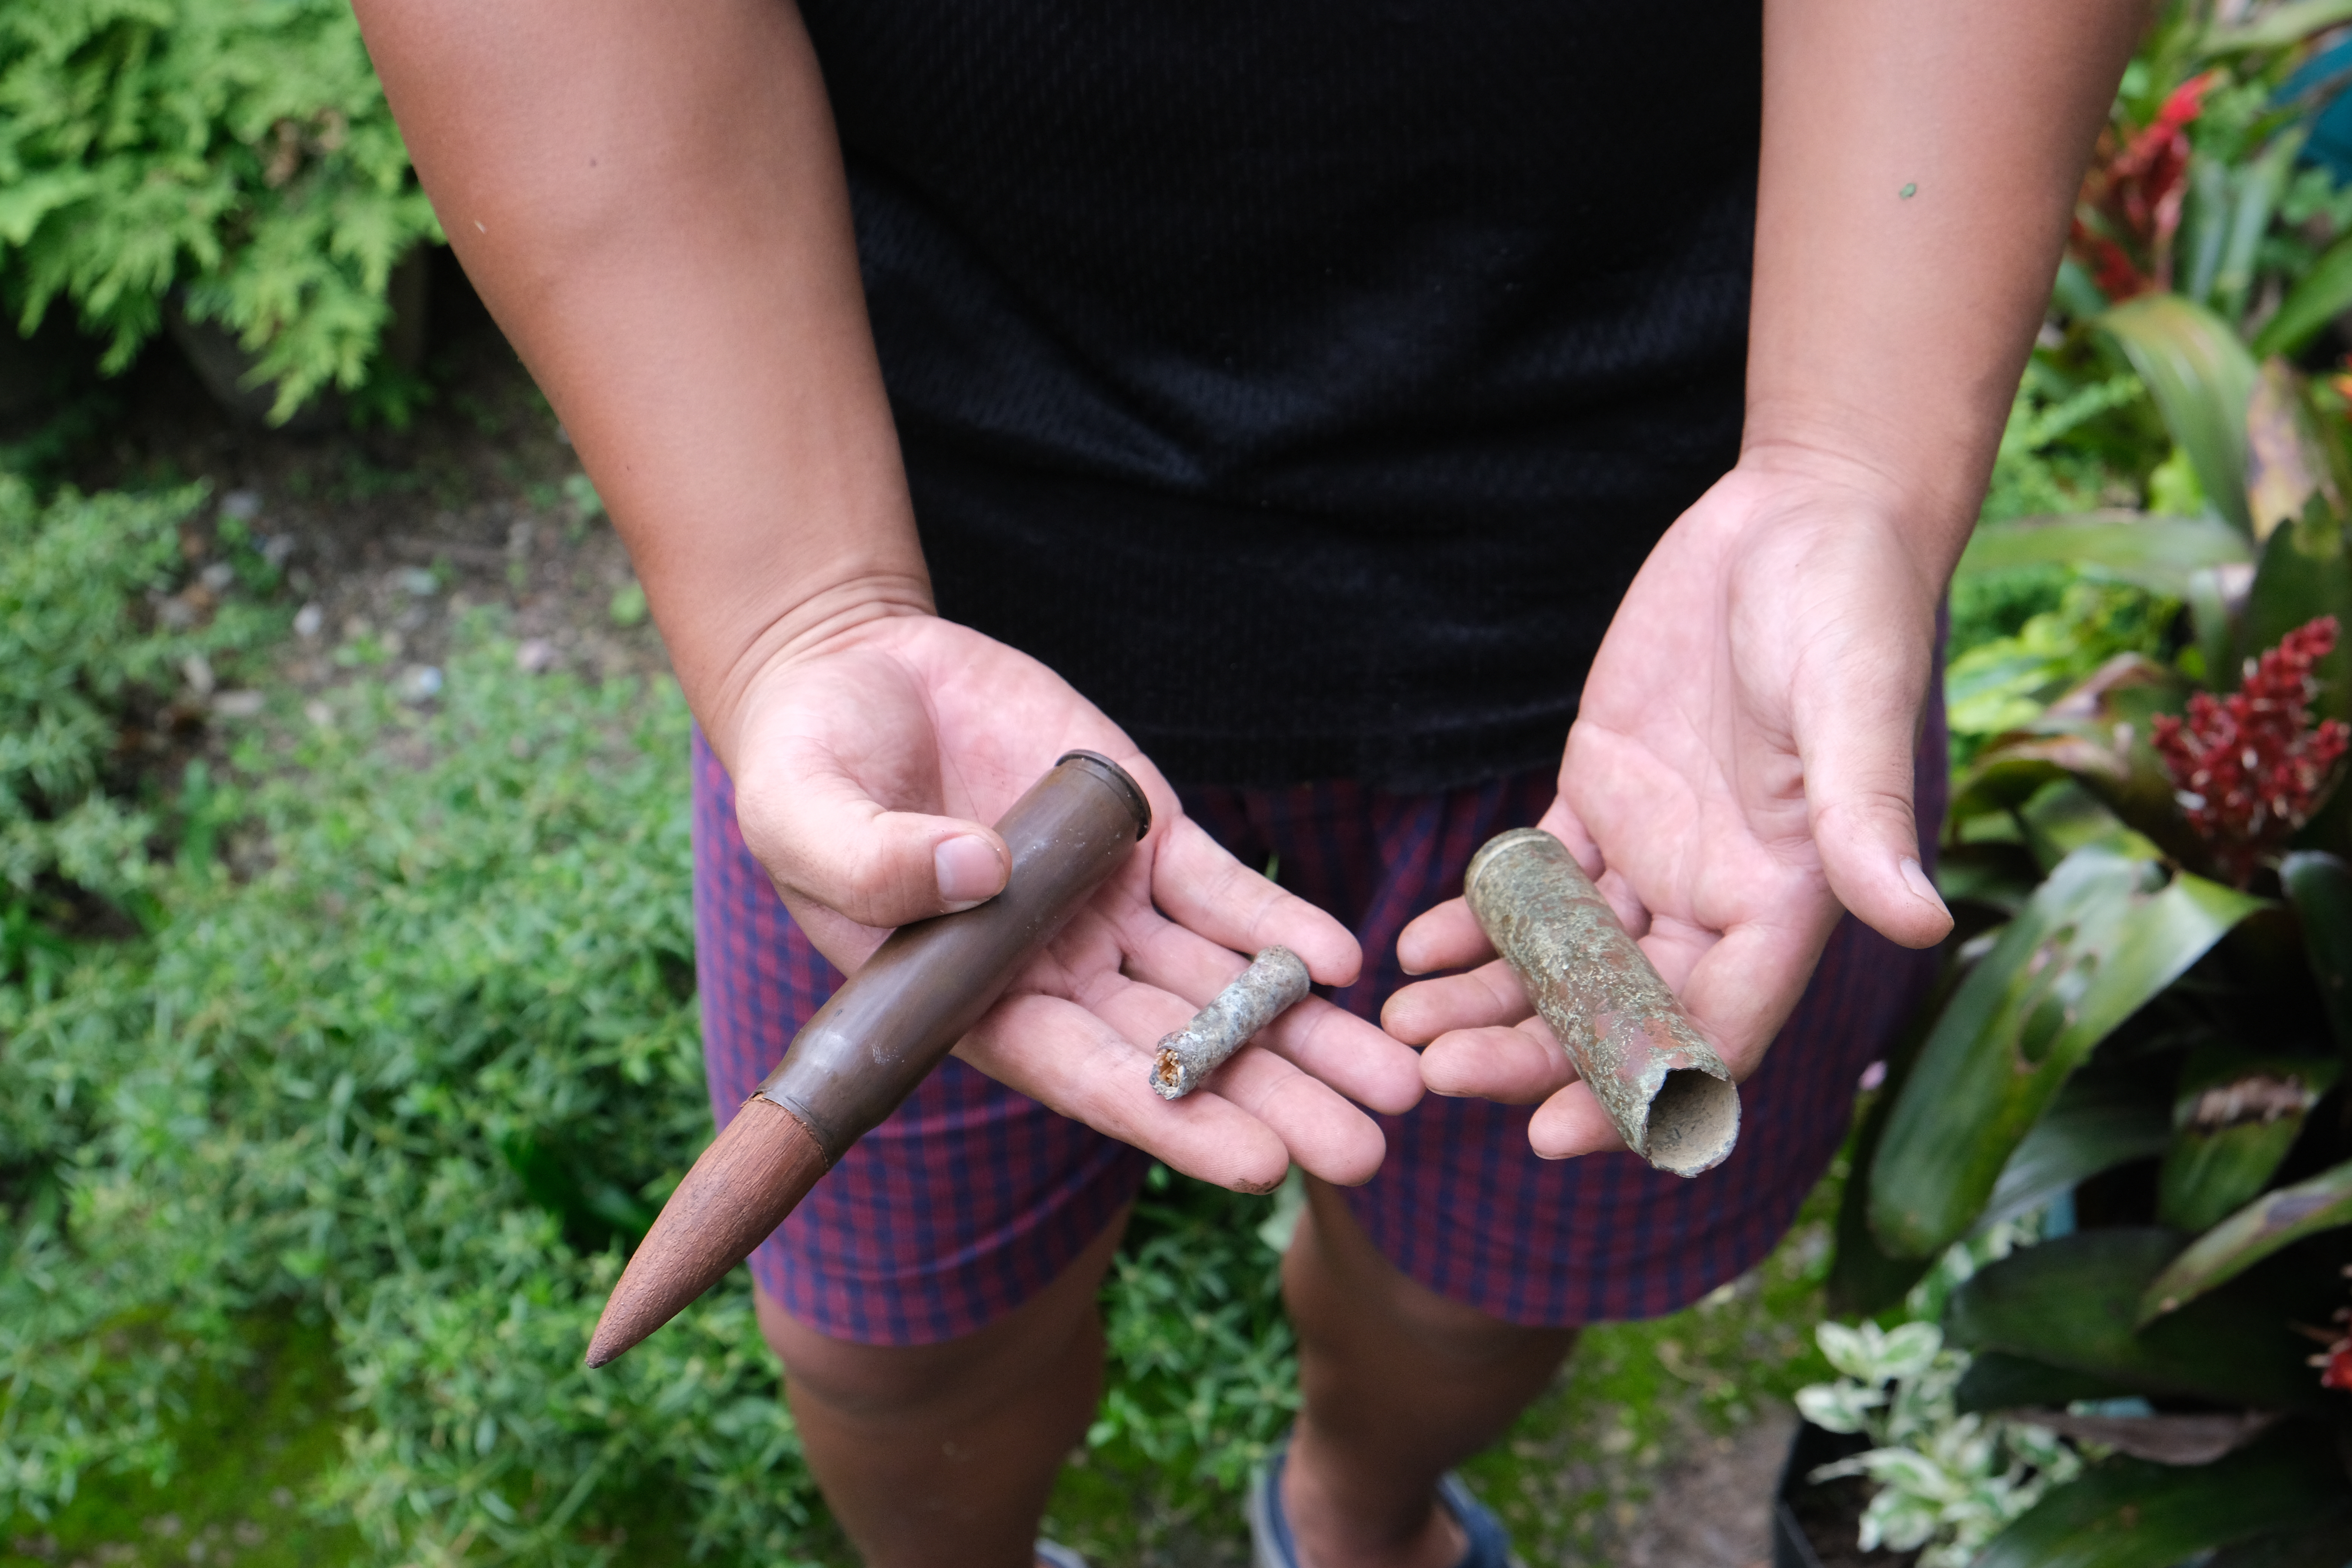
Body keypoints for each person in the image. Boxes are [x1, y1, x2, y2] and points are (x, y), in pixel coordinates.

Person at [351, 2, 2145, 1563]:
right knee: (888, 1344)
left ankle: (1361, 1522)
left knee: (1496, 1278)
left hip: (1655, 643)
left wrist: (1854, 464)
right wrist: (801, 615)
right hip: (945, 671)